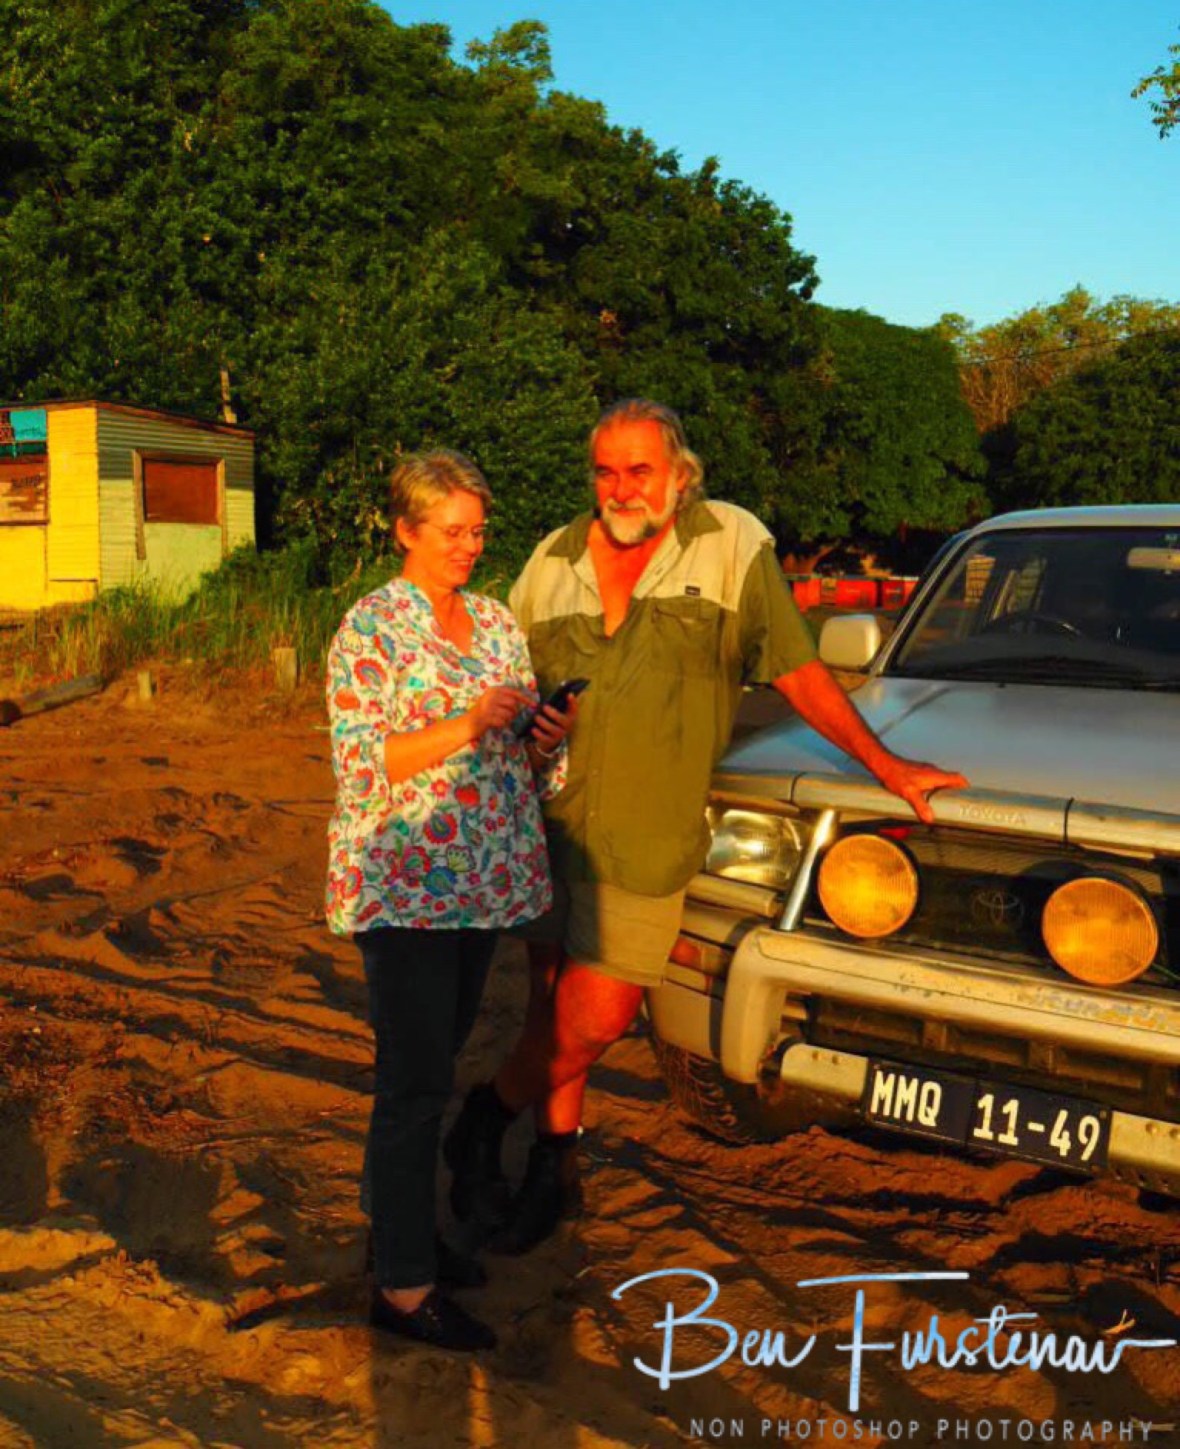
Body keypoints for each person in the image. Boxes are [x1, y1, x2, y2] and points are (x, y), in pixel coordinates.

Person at [444, 398, 968, 1253]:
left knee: (597, 1015)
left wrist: (888, 765)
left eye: (639, 470)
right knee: (548, 1000)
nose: (621, 488)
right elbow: (506, 685)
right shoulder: (550, 559)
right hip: (544, 824)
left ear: (679, 474)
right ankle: (553, 1162)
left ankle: (483, 1113)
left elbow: (796, 667)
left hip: (648, 838)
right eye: (606, 471)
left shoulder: (730, 546)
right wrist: (527, 725)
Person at [325, 450, 571, 1351]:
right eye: (452, 531)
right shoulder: (371, 630)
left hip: (482, 883)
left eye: (477, 529)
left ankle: (402, 1237)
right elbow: (365, 765)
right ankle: (400, 1286)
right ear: (406, 529)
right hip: (403, 884)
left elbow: (528, 765)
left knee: (435, 1065)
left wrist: (545, 735)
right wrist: (467, 720)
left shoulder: (500, 623)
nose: (470, 545)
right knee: (414, 1083)